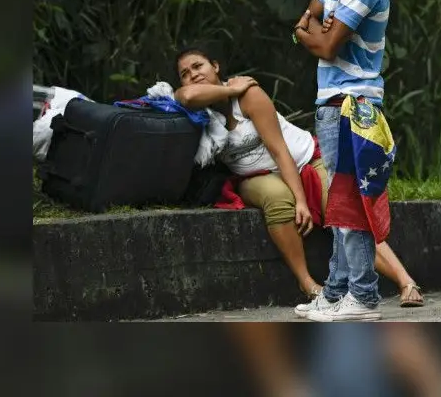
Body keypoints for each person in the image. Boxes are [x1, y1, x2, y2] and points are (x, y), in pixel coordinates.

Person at [172, 45, 422, 311]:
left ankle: (405, 281)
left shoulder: (249, 95)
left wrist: (301, 200)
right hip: (255, 176)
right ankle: (308, 284)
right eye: (185, 73)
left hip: (303, 159)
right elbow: (185, 95)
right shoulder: (197, 109)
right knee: (277, 198)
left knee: (347, 213)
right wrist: (229, 89)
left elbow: (280, 151)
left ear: (215, 66)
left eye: (198, 66)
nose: (193, 75)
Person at [293, 0, 421, 321]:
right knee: (341, 202)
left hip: (354, 100)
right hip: (332, 99)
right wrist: (315, 31)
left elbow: (325, 43)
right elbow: (303, 22)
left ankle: (363, 297)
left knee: (350, 201)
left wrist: (317, 33)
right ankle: (335, 292)